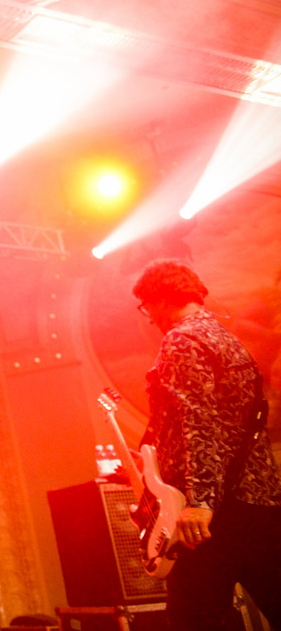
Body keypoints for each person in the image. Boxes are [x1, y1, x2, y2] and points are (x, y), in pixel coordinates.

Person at [132, 259, 281, 630]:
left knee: (191, 619)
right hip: (259, 503)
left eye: (146, 306)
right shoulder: (226, 338)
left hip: (211, 515)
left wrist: (200, 503)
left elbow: (199, 424)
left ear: (162, 299)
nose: (149, 317)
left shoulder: (181, 340)